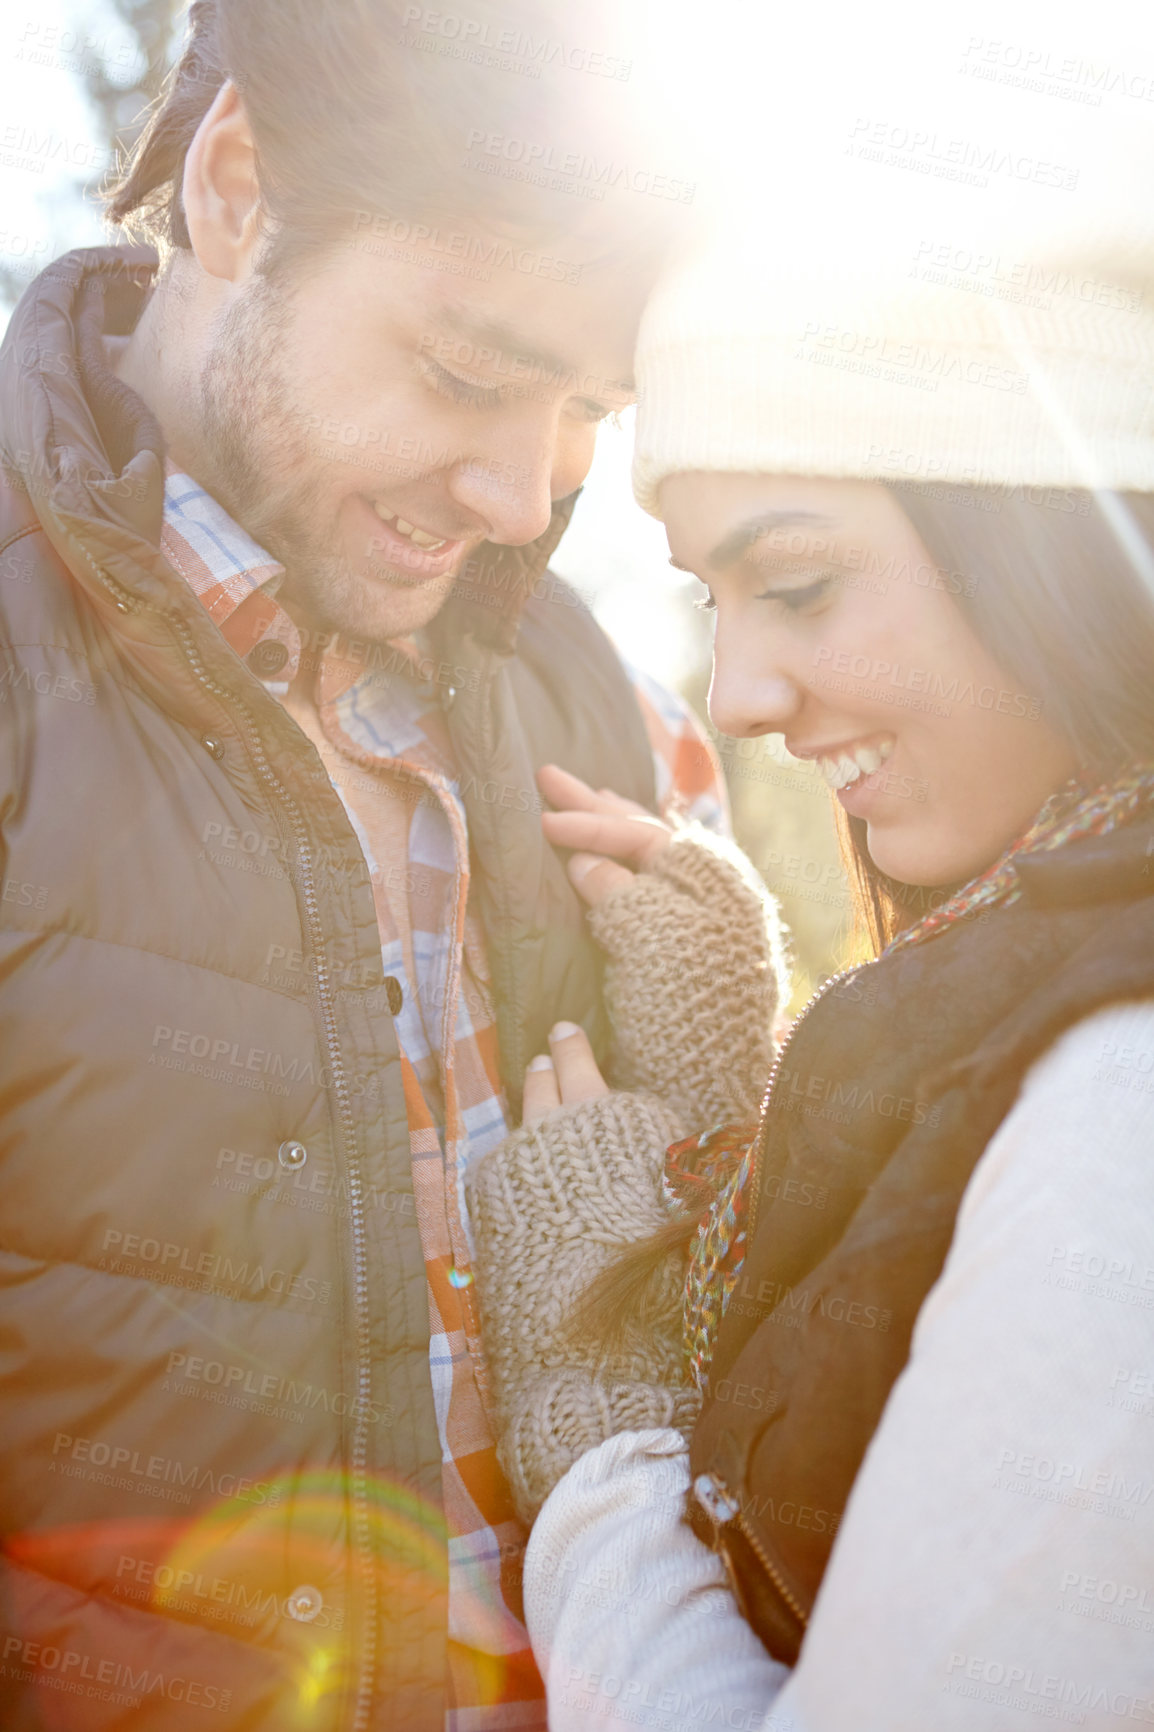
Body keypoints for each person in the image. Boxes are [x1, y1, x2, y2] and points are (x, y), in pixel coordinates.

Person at [0, 2, 722, 1725]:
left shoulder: (587, 698)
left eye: (584, 412)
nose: (520, 494)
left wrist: (742, 1123)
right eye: (469, 374)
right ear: (238, 186)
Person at [464, 215, 1154, 1730]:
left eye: (793, 584)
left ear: (1050, 536)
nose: (741, 694)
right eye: (713, 601)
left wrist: (597, 1439)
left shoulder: (1122, 1111)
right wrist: (744, 1108)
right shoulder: (1058, 983)